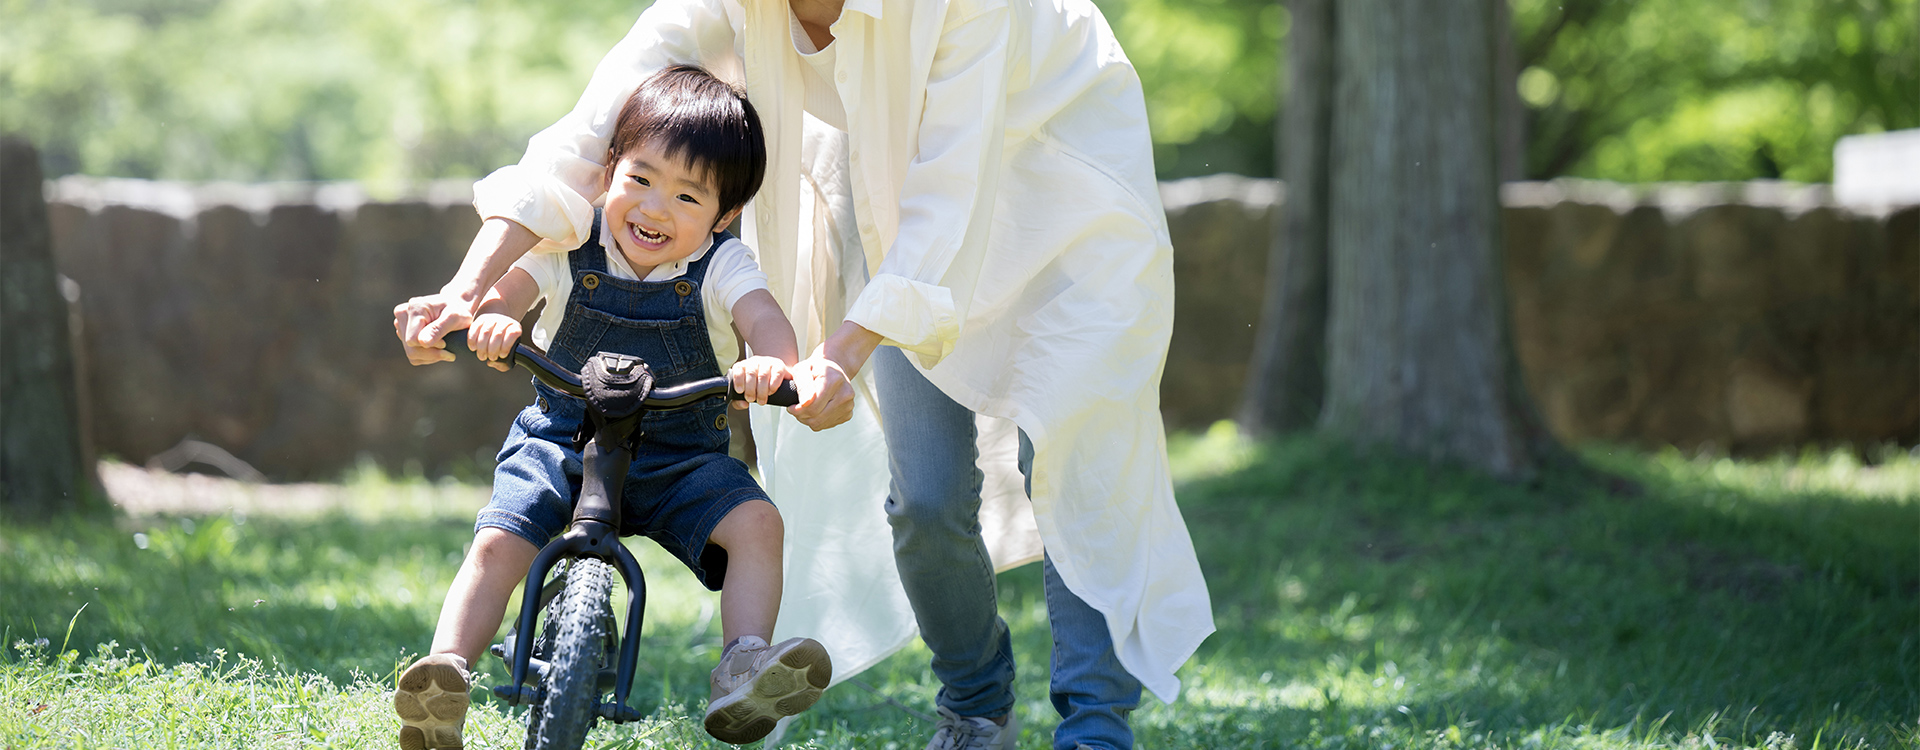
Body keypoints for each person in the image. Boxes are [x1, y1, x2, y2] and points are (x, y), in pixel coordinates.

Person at [395, 1, 1216, 748]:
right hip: (898, 206)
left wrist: (841, 352)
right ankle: (976, 706)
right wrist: (466, 288)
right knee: (925, 498)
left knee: (1074, 457)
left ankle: (1095, 728)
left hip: (1061, 196)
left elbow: (952, 196)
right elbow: (592, 134)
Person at [389, 65, 831, 750]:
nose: (655, 209)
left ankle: (743, 663)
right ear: (608, 171)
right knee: (501, 538)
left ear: (724, 214)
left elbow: (764, 316)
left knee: (756, 523)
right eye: (642, 179)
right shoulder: (571, 241)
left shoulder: (722, 266)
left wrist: (774, 362)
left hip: (679, 458)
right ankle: (444, 674)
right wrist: (495, 321)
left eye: (688, 196)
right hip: (562, 438)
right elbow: (510, 292)